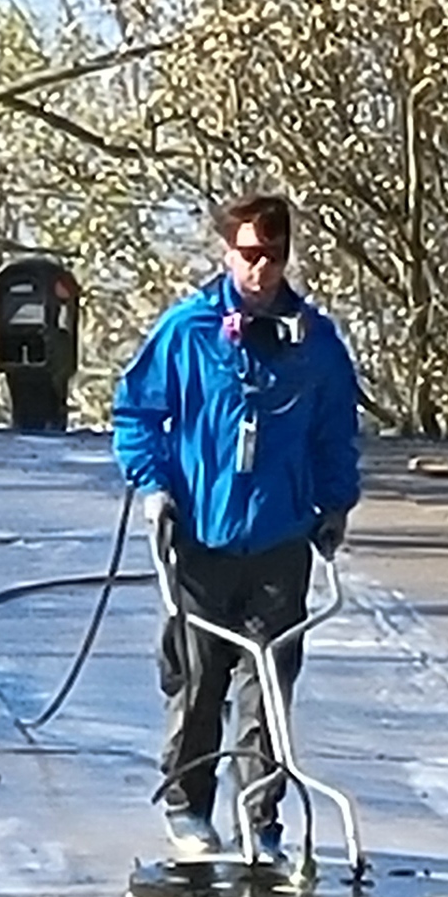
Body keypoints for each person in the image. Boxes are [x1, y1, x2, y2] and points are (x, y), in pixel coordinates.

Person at [112, 190, 361, 860]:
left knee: (268, 690)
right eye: (250, 255)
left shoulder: (315, 344)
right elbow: (136, 414)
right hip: (200, 539)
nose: (261, 270)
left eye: (274, 257)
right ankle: (188, 807)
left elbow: (335, 431)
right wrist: (155, 487)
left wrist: (336, 503)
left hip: (279, 540)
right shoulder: (188, 331)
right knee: (198, 681)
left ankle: (261, 817)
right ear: (228, 252)